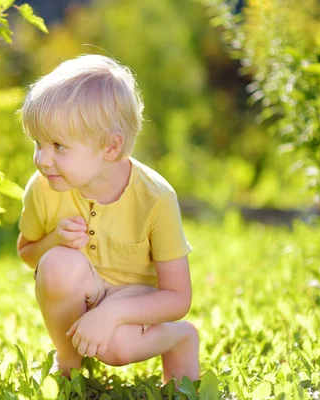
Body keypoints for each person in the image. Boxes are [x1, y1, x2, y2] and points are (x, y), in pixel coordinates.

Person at [16, 54, 199, 382]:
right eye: (38, 143)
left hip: (137, 301)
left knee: (116, 348)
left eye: (58, 145)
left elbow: (178, 297)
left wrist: (113, 313)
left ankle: (180, 338)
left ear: (110, 147)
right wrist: (55, 240)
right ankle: (69, 361)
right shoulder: (43, 188)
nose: (42, 159)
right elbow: (28, 254)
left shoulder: (156, 197)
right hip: (85, 290)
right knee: (57, 265)